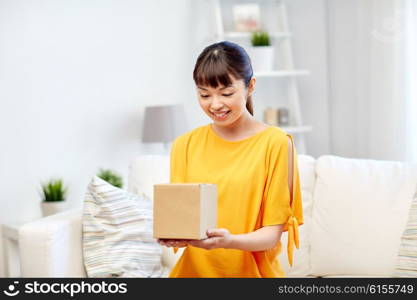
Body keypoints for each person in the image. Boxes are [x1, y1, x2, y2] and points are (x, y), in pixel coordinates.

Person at [158, 41, 303, 278]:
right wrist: (172, 233)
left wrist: (229, 241)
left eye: (226, 93)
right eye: (204, 94)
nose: (215, 104)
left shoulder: (276, 143)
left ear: (250, 86)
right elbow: (183, 222)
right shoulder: (184, 145)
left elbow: (271, 234)